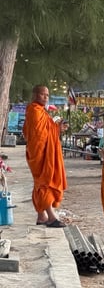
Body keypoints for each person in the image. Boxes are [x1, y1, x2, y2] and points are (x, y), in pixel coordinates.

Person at [22, 85, 69, 227]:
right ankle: (51, 217)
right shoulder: (34, 111)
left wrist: (57, 128)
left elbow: (43, 130)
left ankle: (41, 216)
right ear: (35, 94)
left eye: (47, 95)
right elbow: (39, 135)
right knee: (45, 182)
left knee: (40, 183)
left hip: (42, 152)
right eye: (43, 94)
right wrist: (55, 129)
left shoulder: (41, 111)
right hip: (39, 153)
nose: (45, 97)